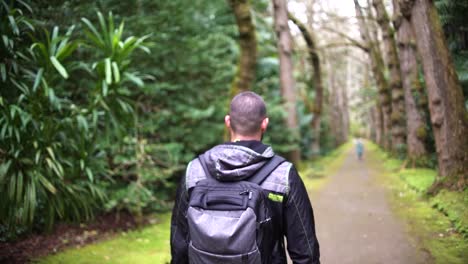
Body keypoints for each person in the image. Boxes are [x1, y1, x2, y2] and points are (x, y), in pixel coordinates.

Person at [170, 91, 320, 264]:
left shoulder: (195, 170)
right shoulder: (283, 174)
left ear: (228, 122)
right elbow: (305, 252)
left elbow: (179, 243)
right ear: (265, 123)